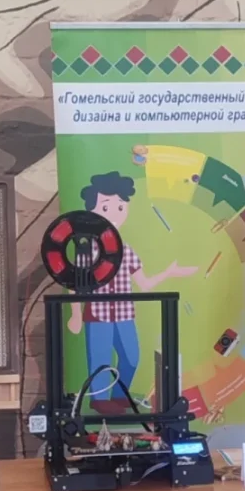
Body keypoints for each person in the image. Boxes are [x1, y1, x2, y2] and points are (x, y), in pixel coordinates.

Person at [68, 171, 197, 412]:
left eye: (120, 207)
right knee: (100, 359)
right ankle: (100, 400)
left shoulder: (126, 250)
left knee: (131, 357)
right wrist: (75, 314)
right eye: (105, 208)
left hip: (125, 313)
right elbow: (75, 284)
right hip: (98, 314)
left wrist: (169, 272)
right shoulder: (86, 251)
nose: (114, 214)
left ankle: (120, 395)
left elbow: (144, 284)